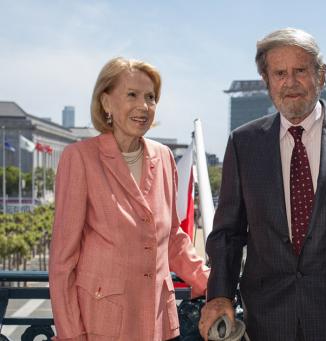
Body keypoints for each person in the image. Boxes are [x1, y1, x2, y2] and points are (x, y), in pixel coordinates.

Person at [199, 28, 326, 341]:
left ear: (321, 76)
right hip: (267, 319)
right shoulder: (243, 143)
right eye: (279, 73)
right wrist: (219, 295)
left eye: (300, 71)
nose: (290, 82)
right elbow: (228, 232)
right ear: (267, 81)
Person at [49, 57, 210, 340]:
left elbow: (172, 237)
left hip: (160, 323)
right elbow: (63, 261)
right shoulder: (80, 159)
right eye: (132, 95)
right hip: (102, 325)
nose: (143, 106)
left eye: (150, 97)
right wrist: (71, 335)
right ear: (106, 102)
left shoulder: (164, 157)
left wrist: (210, 281)